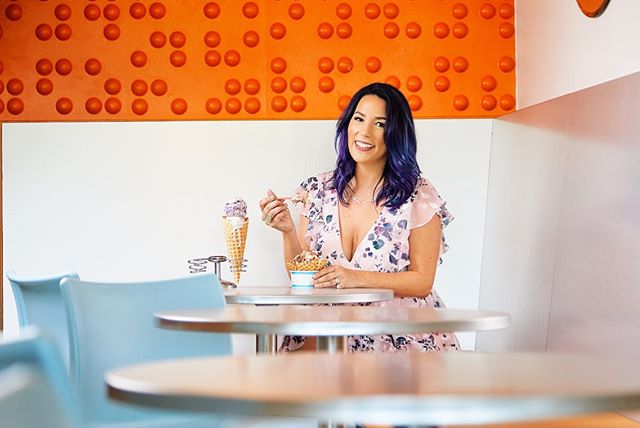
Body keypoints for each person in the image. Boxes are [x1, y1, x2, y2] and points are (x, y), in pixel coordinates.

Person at [259, 82, 460, 352]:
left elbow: (422, 281)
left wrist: (355, 277)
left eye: (380, 124)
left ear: (395, 134)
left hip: (396, 336)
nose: (364, 132)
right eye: (359, 118)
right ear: (347, 124)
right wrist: (287, 231)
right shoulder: (316, 191)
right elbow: (305, 279)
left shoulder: (418, 196)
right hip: (326, 332)